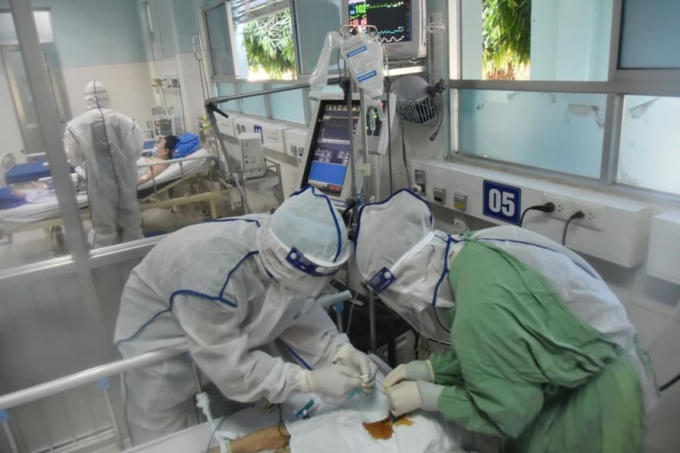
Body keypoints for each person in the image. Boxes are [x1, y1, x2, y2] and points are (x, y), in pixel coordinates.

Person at [353, 189, 658, 453]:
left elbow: (507, 412)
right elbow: (501, 350)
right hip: (577, 376)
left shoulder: (481, 303)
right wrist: (430, 370)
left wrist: (429, 396)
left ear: (406, 277)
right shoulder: (471, 251)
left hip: (597, 402)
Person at [114, 186, 377, 443]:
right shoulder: (211, 277)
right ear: (289, 265)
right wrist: (307, 380)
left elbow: (298, 309)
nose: (317, 288)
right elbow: (232, 371)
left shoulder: (282, 244)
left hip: (218, 338)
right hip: (161, 349)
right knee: (163, 439)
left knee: (232, 424)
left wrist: (340, 351)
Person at [64, 80, 143, 247]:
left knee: (103, 224)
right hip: (125, 177)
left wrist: (88, 166)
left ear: (86, 99)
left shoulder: (75, 125)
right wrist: (125, 164)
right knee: (131, 218)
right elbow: (136, 150)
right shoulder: (126, 121)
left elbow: (73, 156)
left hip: (97, 181)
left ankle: (106, 258)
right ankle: (135, 253)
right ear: (107, 96)